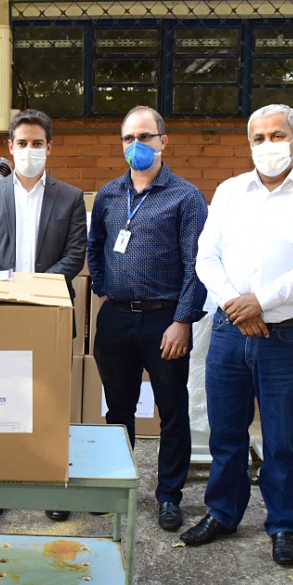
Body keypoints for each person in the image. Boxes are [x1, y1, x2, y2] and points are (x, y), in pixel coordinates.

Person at [185, 104, 293, 566]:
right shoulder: (230, 191)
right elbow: (206, 257)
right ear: (249, 143)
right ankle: (223, 512)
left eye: (277, 136)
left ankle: (283, 524)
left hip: (287, 338)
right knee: (226, 433)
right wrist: (237, 304)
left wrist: (262, 302)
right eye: (259, 138)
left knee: (282, 439)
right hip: (230, 331)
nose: (268, 145)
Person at [87, 106, 207, 532]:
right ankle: (117, 486)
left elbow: (197, 265)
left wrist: (183, 321)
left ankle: (169, 495)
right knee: (118, 409)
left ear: (162, 141)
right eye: (128, 138)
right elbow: (95, 245)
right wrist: (105, 288)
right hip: (117, 319)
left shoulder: (186, 197)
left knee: (171, 409)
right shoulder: (108, 194)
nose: (135, 145)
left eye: (144, 136)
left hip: (165, 322)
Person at [0, 108, 87, 522]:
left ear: (49, 147)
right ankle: (0, 483)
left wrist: (34, 291)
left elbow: (74, 255)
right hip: (2, 315)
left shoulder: (70, 197)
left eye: (38, 143)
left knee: (49, 403)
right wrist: (12, 293)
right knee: (0, 402)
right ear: (10, 147)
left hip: (50, 313)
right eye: (22, 143)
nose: (30, 150)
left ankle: (52, 482)